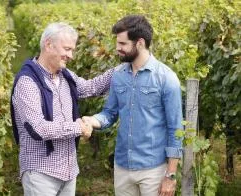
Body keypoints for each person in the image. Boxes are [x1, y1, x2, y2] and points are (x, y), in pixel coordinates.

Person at [83, 15, 183, 196]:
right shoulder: (119, 75)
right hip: (122, 166)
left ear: (140, 43)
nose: (117, 48)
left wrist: (170, 175)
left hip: (153, 169)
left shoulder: (166, 78)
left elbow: (175, 129)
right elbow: (109, 113)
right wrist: (92, 120)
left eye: (122, 44)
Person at [10, 22, 114, 196]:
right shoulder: (27, 83)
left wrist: (121, 70)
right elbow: (38, 128)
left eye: (72, 50)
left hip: (69, 171)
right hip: (41, 173)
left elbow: (90, 88)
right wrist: (78, 127)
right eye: (67, 49)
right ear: (48, 45)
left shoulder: (65, 76)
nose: (71, 55)